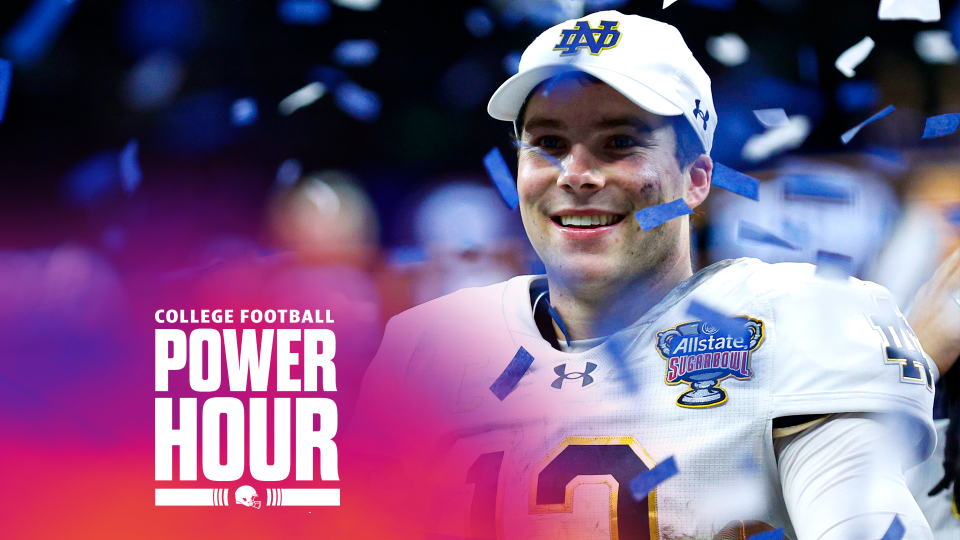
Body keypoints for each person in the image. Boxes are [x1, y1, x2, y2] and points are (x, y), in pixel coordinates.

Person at [347, 11, 937, 539]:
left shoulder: (789, 321)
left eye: (619, 142)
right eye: (547, 142)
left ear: (697, 178)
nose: (574, 173)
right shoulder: (425, 348)